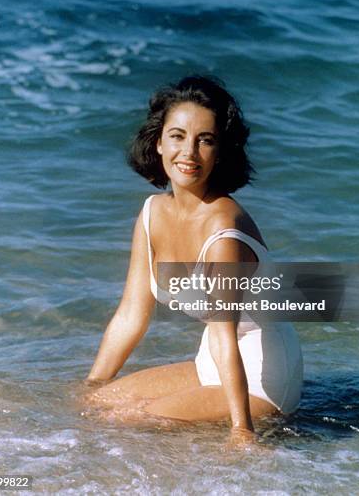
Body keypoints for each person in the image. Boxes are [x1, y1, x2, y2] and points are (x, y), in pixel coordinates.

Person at [86, 75, 303, 447]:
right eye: (177, 136)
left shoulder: (224, 229)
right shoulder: (152, 212)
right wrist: (92, 384)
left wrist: (242, 431)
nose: (188, 152)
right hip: (211, 365)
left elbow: (223, 333)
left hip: (260, 378)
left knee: (126, 419)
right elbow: (131, 314)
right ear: (157, 142)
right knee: (97, 404)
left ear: (220, 153)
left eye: (205, 140)